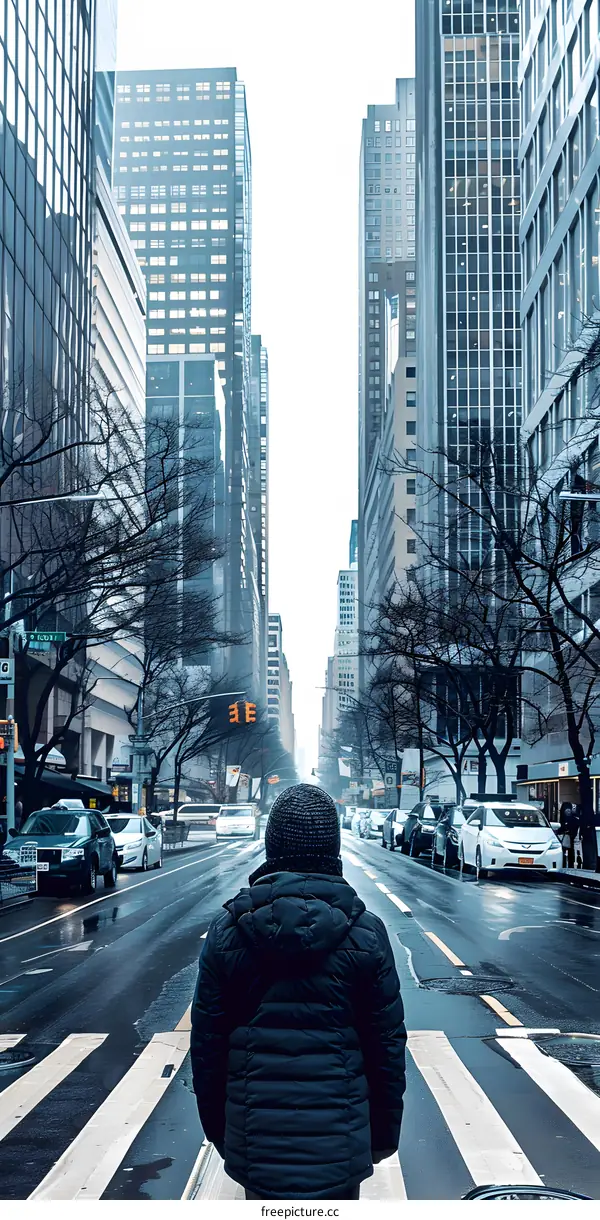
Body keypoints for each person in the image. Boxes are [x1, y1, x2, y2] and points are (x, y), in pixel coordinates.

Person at [190, 783, 406, 1201]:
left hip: (256, 1147)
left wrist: (223, 1133)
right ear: (333, 850)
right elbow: (387, 1051)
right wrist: (380, 1137)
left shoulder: (226, 933)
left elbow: (207, 1050)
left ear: (272, 849)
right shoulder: (366, 933)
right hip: (340, 1149)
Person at [559, 801, 579, 869]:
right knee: (563, 852)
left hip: (571, 838)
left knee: (571, 852)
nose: (568, 811)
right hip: (565, 838)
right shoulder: (563, 819)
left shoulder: (574, 820)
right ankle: (564, 864)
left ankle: (570, 865)